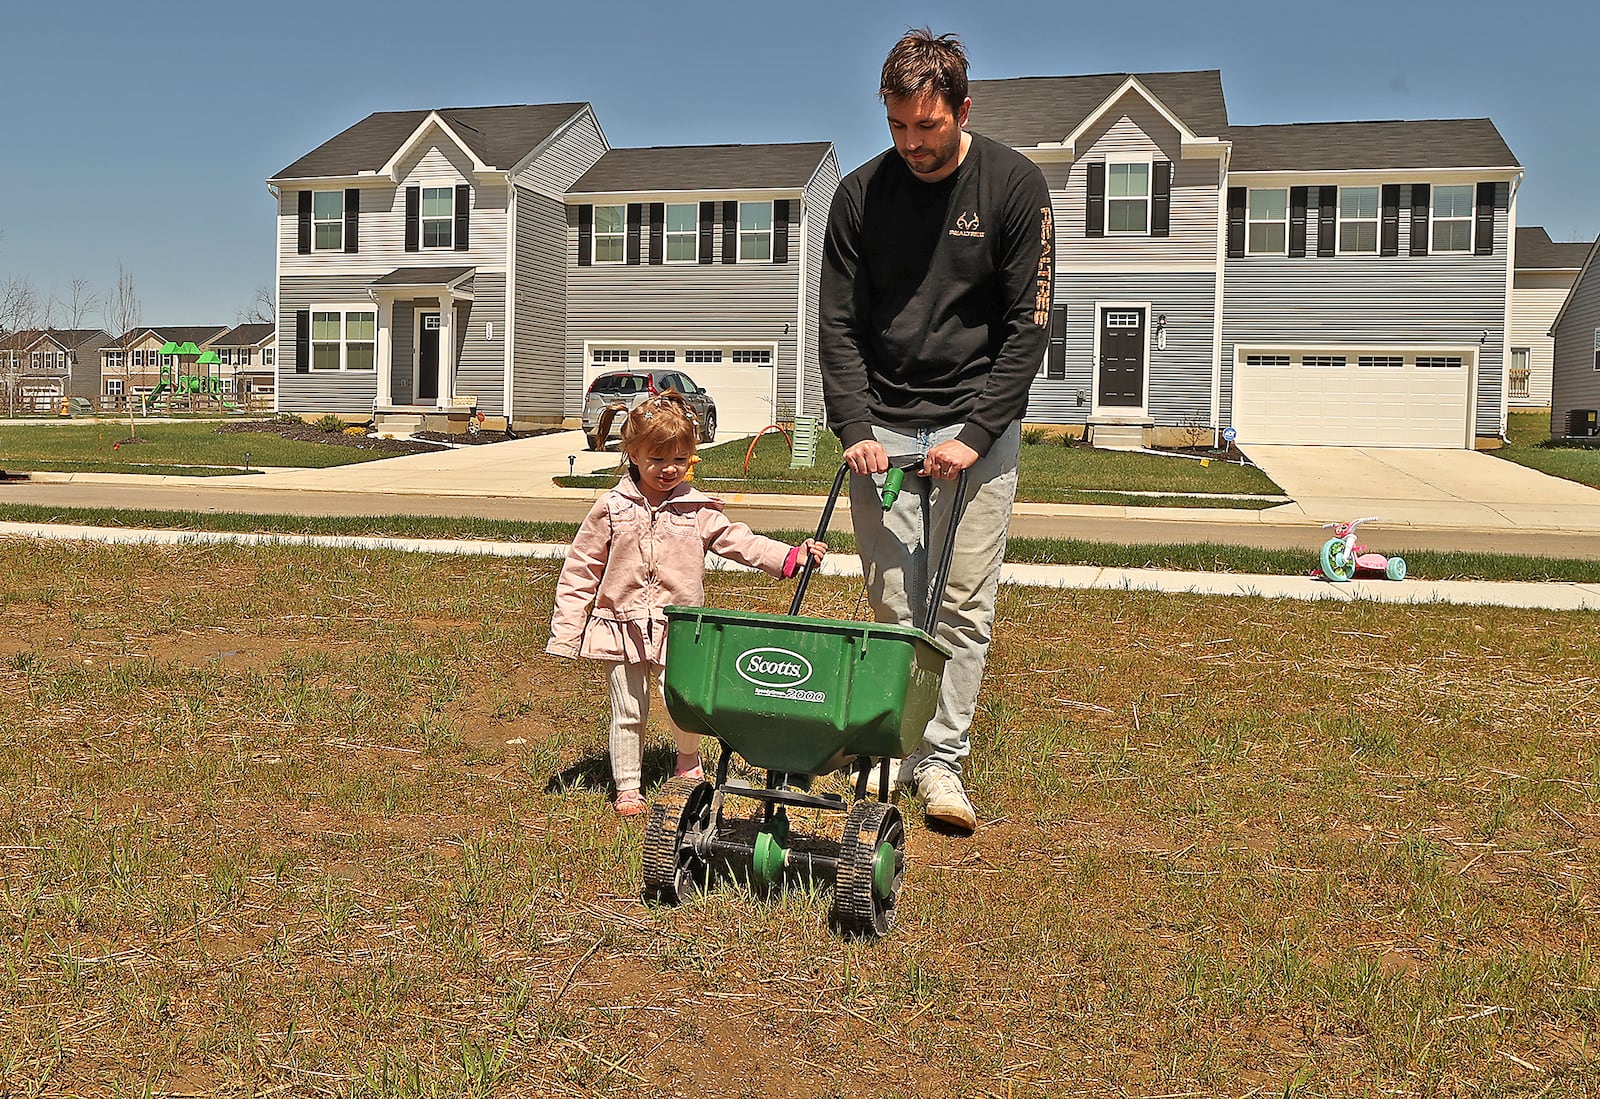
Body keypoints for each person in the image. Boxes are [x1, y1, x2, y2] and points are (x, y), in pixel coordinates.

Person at [819, 27, 1053, 833]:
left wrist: (978, 432)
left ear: (963, 108)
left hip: (974, 428)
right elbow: (838, 328)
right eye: (897, 127)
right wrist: (854, 423)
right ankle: (892, 747)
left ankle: (940, 766)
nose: (912, 144)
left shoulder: (1016, 188)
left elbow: (1029, 326)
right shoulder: (857, 198)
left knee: (961, 603)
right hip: (882, 427)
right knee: (892, 602)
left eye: (928, 126)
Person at [546, 392, 826, 817]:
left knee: (683, 700)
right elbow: (581, 569)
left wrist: (790, 556)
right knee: (628, 708)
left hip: (680, 625)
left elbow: (740, 542)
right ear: (633, 454)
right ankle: (627, 785)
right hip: (621, 623)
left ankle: (687, 763)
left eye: (679, 459)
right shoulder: (611, 507)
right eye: (657, 460)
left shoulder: (697, 510)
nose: (668, 469)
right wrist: (568, 631)